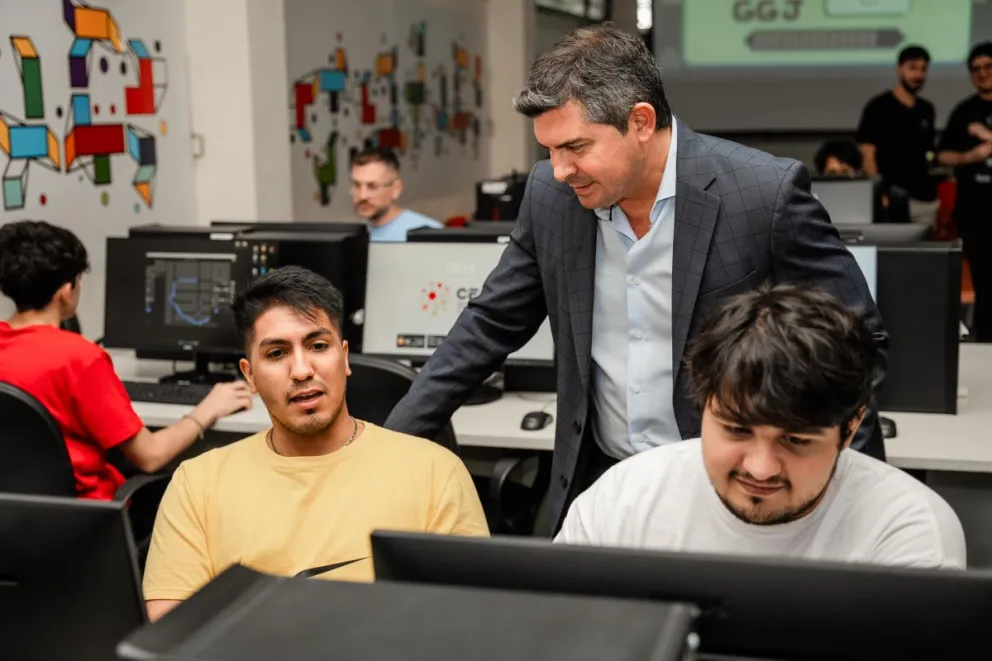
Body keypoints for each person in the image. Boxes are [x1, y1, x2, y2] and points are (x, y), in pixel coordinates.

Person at [384, 24, 887, 536]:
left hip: (732, 488)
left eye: (575, 147)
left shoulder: (763, 194)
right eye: (549, 151)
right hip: (600, 480)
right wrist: (390, 446)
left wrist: (849, 509)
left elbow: (857, 343)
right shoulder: (551, 197)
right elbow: (491, 322)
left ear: (641, 122)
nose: (559, 170)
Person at [142, 266, 488, 621]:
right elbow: (172, 631)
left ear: (345, 356)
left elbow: (471, 620)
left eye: (318, 346)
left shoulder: (435, 473)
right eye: (276, 354)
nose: (302, 370)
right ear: (250, 376)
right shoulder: (197, 484)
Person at [556, 285, 965, 569]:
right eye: (736, 430)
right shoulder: (623, 500)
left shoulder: (906, 531)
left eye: (795, 440)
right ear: (703, 406)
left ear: (852, 424)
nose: (761, 468)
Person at [0, 220, 252, 500]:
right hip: (90, 517)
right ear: (66, 290)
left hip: (16, 519)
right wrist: (207, 410)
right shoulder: (79, 359)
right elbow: (151, 456)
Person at [938, 42, 992, 343]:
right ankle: (985, 341)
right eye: (976, 69)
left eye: (989, 66)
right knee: (982, 281)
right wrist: (969, 158)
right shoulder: (964, 111)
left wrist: (987, 136)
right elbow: (942, 155)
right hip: (975, 210)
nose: (983, 74)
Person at [855, 45, 939, 225]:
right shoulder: (878, 107)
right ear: (899, 69)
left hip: (924, 199)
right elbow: (867, 153)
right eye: (912, 68)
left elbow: (929, 153)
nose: (918, 75)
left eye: (923, 69)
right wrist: (878, 194)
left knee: (927, 251)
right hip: (890, 197)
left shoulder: (927, 109)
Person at [350, 147, 443, 241]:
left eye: (372, 186)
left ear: (396, 189)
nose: (362, 196)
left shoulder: (429, 234)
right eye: (357, 185)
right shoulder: (353, 236)